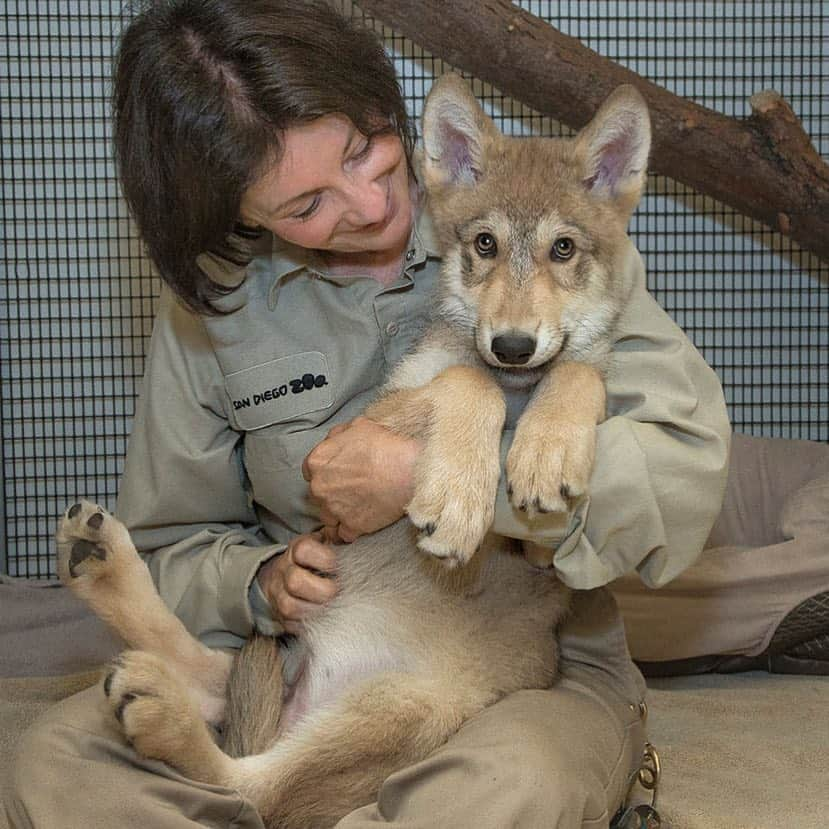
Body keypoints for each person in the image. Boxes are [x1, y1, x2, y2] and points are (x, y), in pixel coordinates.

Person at [6, 1, 732, 827]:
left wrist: (427, 473)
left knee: (500, 790)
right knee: (60, 767)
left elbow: (681, 481)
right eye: (305, 204)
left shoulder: (542, 223)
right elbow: (175, 542)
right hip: (307, 642)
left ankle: (259, 785)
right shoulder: (213, 302)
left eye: (364, 150)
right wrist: (260, 583)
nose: (366, 203)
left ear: (388, 106)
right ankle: (256, 770)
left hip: (516, 660)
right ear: (241, 216)